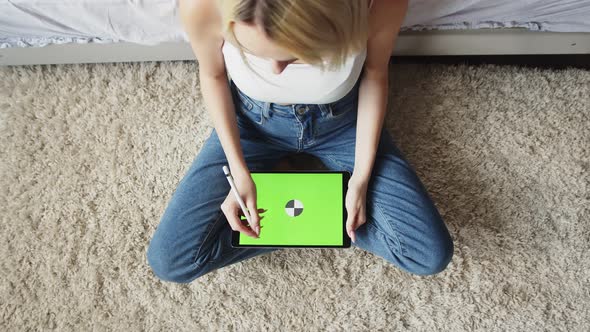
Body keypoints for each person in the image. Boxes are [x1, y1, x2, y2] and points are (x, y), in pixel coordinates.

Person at [146, 0, 453, 283]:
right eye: (254, 53)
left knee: (428, 254)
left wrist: (360, 179)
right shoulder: (202, 5)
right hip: (252, 126)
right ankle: (317, 217)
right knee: (171, 261)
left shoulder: (377, 5)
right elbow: (213, 76)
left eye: (294, 57)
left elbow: (375, 74)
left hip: (343, 125)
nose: (276, 70)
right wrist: (239, 171)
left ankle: (307, 210)